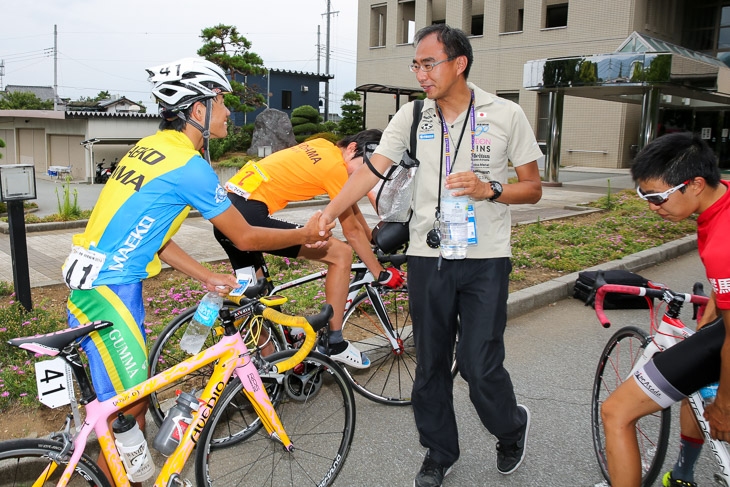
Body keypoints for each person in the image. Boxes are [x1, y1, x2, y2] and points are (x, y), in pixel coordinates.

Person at [62, 57, 332, 484]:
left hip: (99, 283)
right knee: (126, 408)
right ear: (199, 111)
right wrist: (304, 231)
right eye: (221, 101)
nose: (228, 111)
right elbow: (245, 237)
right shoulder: (190, 166)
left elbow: (155, 236)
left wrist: (204, 277)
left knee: (126, 406)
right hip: (108, 290)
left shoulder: (151, 151)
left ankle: (132, 476)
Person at [318, 24, 542, 486]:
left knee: (480, 366)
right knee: (431, 362)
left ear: (459, 64)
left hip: (486, 258)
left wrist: (491, 189)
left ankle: (510, 426)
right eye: (415, 65)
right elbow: (371, 171)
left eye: (428, 63)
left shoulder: (505, 113)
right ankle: (439, 450)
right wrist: (330, 212)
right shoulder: (414, 115)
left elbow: (533, 188)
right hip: (428, 254)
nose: (420, 73)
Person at [600, 132, 730, 487]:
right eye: (644, 195)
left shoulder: (722, 241)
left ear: (696, 184)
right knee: (698, 372)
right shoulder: (722, 202)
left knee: (616, 412)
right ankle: (684, 474)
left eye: (657, 197)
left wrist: (725, 405)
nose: (651, 206)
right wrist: (717, 305)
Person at [214, 129, 405, 368]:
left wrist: (371, 236)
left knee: (256, 298)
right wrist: (380, 272)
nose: (367, 175)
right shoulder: (336, 168)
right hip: (249, 219)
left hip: (226, 217)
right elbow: (351, 232)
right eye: (365, 166)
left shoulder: (322, 145)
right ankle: (335, 343)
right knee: (342, 253)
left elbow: (349, 205)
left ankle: (269, 366)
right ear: (353, 148)